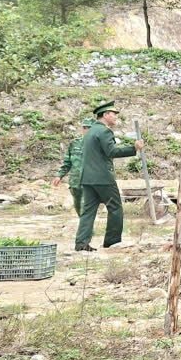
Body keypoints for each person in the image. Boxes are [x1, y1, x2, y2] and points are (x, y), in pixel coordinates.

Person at [74, 100, 143, 252]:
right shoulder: (104, 131)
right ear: (105, 115)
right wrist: (134, 148)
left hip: (87, 178)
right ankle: (112, 242)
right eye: (113, 115)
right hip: (103, 179)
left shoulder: (90, 131)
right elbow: (111, 152)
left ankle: (81, 243)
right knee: (115, 208)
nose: (116, 118)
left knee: (88, 212)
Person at [52, 119, 93, 216]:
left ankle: (87, 230)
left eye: (89, 128)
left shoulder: (97, 144)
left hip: (90, 182)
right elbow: (67, 162)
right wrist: (59, 175)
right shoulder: (74, 143)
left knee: (85, 207)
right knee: (78, 206)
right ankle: (85, 227)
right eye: (85, 128)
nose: (87, 130)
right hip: (75, 182)